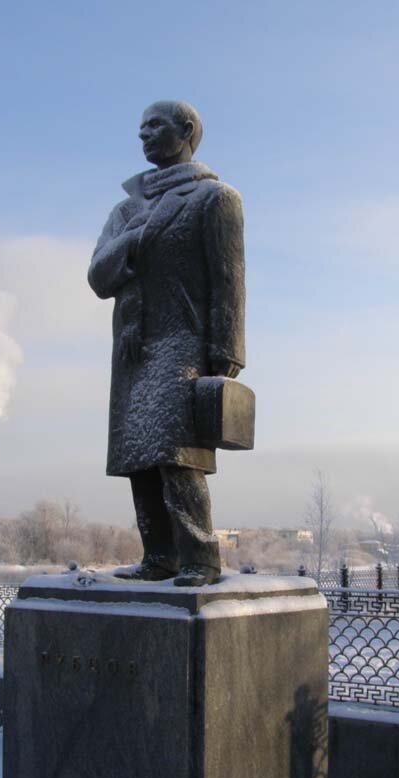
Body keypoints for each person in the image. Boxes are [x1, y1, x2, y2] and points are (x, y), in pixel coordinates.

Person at [87, 100, 246, 587]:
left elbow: (229, 279)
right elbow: (98, 277)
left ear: (187, 131)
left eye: (155, 126)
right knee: (139, 455)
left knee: (176, 452)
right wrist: (133, 240)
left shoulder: (213, 198)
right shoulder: (127, 210)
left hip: (185, 340)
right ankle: (159, 556)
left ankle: (199, 558)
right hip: (134, 346)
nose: (144, 136)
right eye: (140, 128)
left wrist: (227, 350)